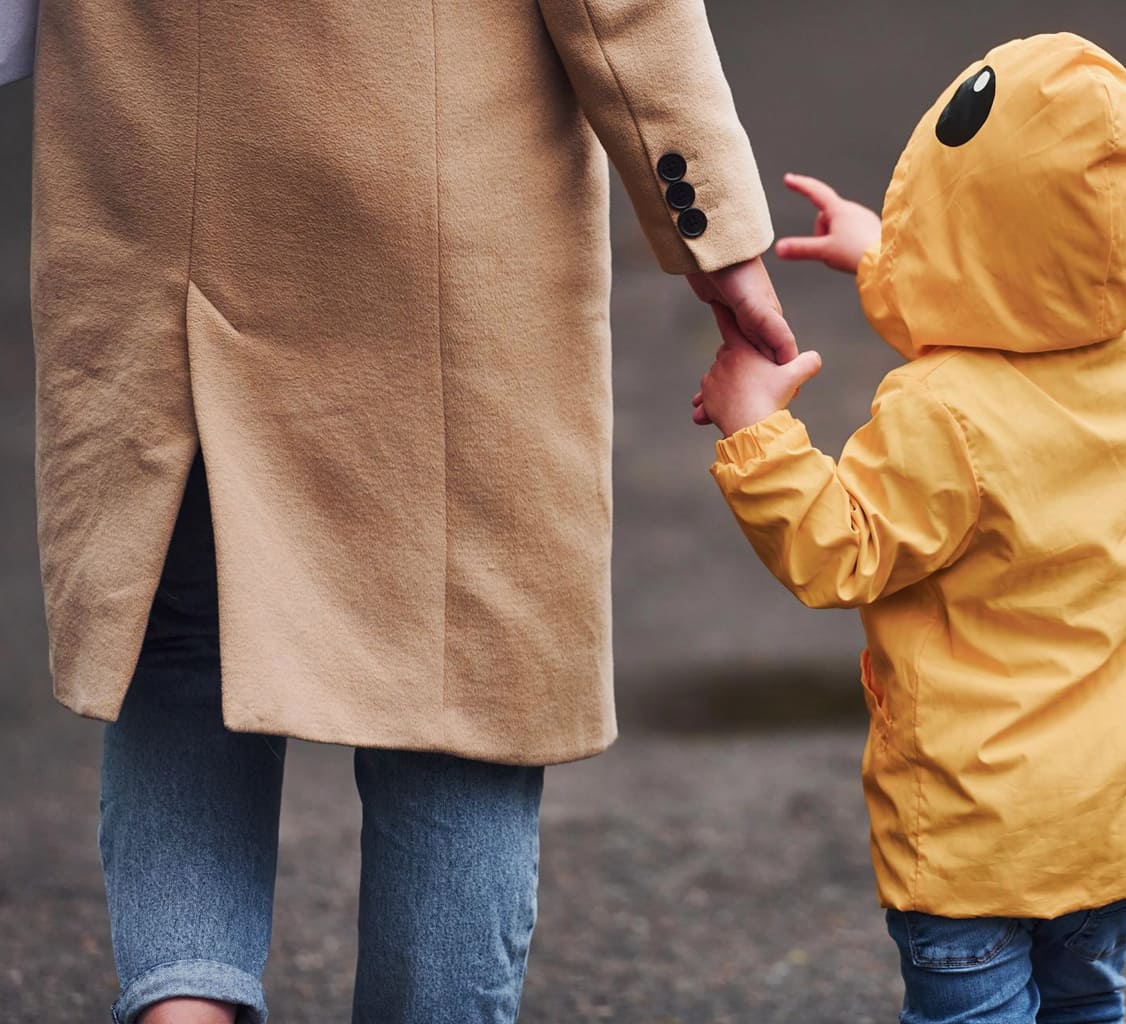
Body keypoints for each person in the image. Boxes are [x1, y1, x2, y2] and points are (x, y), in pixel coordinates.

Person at [29, 1, 793, 1021]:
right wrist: (716, 231)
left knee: (180, 647)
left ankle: (181, 1009)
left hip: (150, 175)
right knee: (460, 676)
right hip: (436, 211)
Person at [695, 34, 1126, 1024]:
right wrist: (882, 258)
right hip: (1114, 824)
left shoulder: (940, 412)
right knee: (1087, 1006)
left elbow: (841, 546)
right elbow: (1020, 300)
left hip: (975, 835)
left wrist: (758, 431)